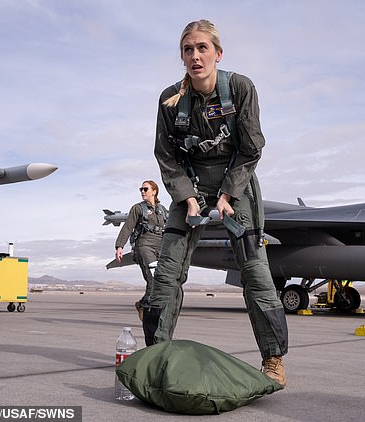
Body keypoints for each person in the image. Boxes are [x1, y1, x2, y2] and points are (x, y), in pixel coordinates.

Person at [142, 19, 288, 386]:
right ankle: (154, 355)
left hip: (236, 185)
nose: (195, 55)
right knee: (167, 274)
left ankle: (273, 360)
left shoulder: (240, 88)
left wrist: (227, 194)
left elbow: (251, 147)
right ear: (182, 56)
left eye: (202, 47)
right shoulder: (170, 99)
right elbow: (166, 155)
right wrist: (187, 197)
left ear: (217, 53)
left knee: (255, 273)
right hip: (188, 186)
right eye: (187, 49)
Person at [114, 180, 167, 321]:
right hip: (144, 245)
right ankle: (150, 313)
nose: (142, 192)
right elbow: (127, 227)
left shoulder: (162, 210)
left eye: (145, 189)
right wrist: (120, 246)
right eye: (141, 189)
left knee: (160, 280)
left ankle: (144, 305)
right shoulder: (138, 208)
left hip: (160, 246)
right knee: (153, 277)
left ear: (154, 191)